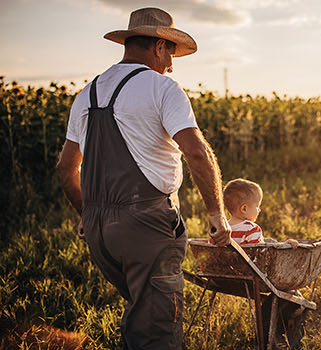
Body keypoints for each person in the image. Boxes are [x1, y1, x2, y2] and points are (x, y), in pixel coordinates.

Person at [53, 7, 229, 349]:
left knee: (140, 312)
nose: (172, 65)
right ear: (160, 46)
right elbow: (197, 152)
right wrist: (217, 213)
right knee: (157, 329)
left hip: (102, 235)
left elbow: (65, 168)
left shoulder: (86, 94)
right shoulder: (162, 88)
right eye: (172, 54)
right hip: (147, 228)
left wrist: (87, 214)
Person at [218, 179, 298, 245]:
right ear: (244, 209)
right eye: (257, 206)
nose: (259, 210)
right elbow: (263, 251)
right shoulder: (251, 229)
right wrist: (285, 244)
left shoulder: (220, 230)